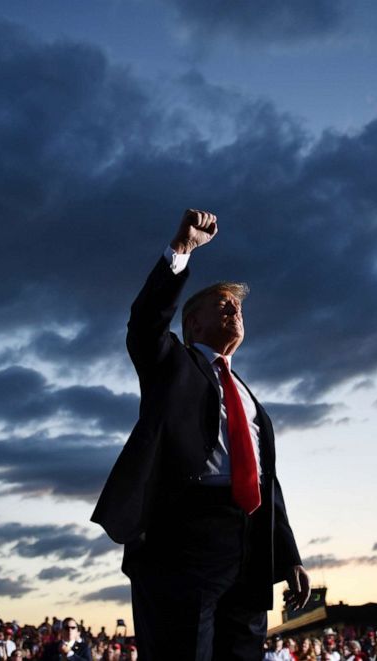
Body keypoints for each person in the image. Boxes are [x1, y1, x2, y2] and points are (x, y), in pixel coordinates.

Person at [92, 208, 308, 660]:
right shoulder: (173, 365)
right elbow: (146, 323)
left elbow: (268, 482)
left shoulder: (250, 399)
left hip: (248, 545)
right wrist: (181, 251)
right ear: (193, 325)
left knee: (242, 652)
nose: (236, 311)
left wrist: (289, 555)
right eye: (223, 305)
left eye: (240, 307)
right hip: (182, 540)